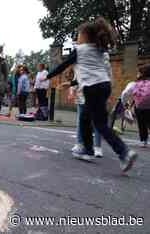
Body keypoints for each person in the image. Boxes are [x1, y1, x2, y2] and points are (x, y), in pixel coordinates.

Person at [47, 17, 137, 173]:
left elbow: (62, 65)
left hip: (92, 88)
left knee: (99, 124)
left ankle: (123, 152)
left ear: (85, 36)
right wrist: (72, 84)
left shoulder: (80, 50)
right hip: (104, 86)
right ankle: (88, 150)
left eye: (78, 35)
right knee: (85, 118)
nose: (77, 38)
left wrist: (47, 76)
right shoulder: (100, 50)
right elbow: (92, 72)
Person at [121, 64, 150, 147]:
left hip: (139, 107)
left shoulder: (133, 84)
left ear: (141, 74)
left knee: (141, 124)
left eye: (138, 72)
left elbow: (124, 93)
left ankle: (143, 141)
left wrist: (124, 103)